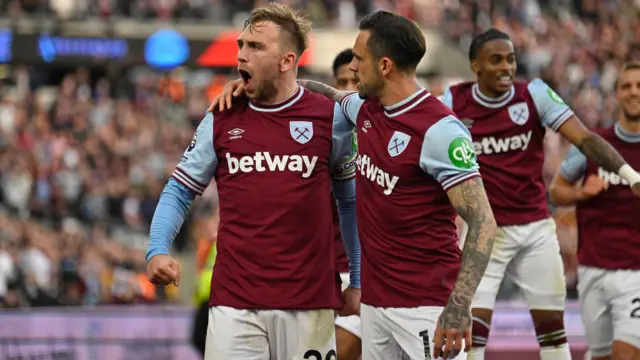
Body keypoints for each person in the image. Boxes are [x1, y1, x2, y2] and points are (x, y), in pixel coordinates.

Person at [211, 11, 498, 360]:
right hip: (375, 307)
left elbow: (483, 221)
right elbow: (321, 92)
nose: (353, 68)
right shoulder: (365, 109)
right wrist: (248, 87)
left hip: (427, 306)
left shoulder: (439, 131)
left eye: (360, 60)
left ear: (385, 66)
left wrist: (459, 305)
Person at [145, 4, 361, 360]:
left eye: (256, 47)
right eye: (241, 45)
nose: (242, 55)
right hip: (235, 304)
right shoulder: (221, 117)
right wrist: (157, 248)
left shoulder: (330, 118)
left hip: (309, 303)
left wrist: (357, 278)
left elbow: (349, 202)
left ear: (287, 60)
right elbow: (180, 190)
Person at [438, 28, 640, 360]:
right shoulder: (453, 101)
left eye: (511, 59)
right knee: (471, 333)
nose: (506, 67)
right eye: (496, 60)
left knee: (553, 334)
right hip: (484, 232)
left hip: (534, 229)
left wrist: (630, 175)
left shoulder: (534, 94)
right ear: (475, 65)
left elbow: (585, 139)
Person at [548, 61, 640, 360]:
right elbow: (555, 193)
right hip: (593, 270)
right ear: (616, 94)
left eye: (639, 86)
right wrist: (581, 193)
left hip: (635, 274)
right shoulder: (592, 144)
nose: (633, 92)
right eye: (626, 86)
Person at [331, 48, 362, 360]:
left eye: (355, 81)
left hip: (382, 278)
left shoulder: (392, 132)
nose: (348, 91)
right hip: (330, 276)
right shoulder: (322, 137)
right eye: (341, 83)